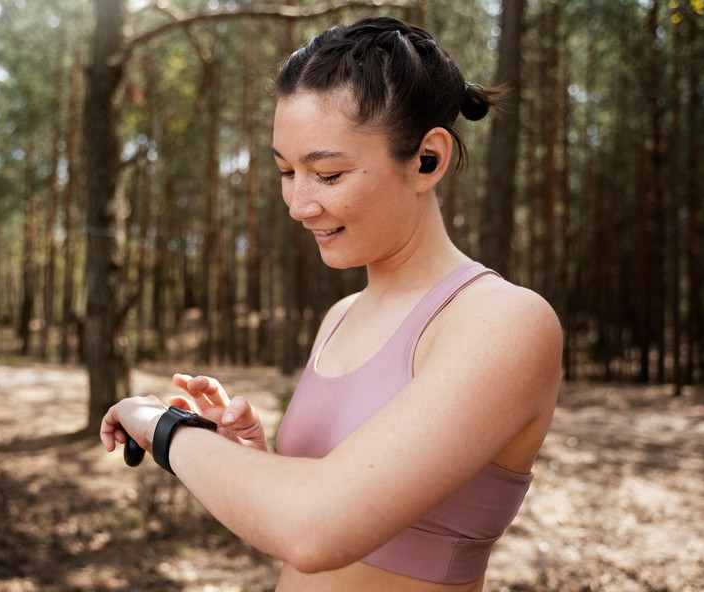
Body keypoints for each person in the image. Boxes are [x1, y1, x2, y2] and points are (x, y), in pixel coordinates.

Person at [100, 15, 562, 592]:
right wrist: (249, 461)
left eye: (327, 173)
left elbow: (314, 530)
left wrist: (163, 429)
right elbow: (311, 535)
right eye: (286, 172)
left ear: (427, 160)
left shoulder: (504, 321)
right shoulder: (339, 318)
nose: (298, 204)